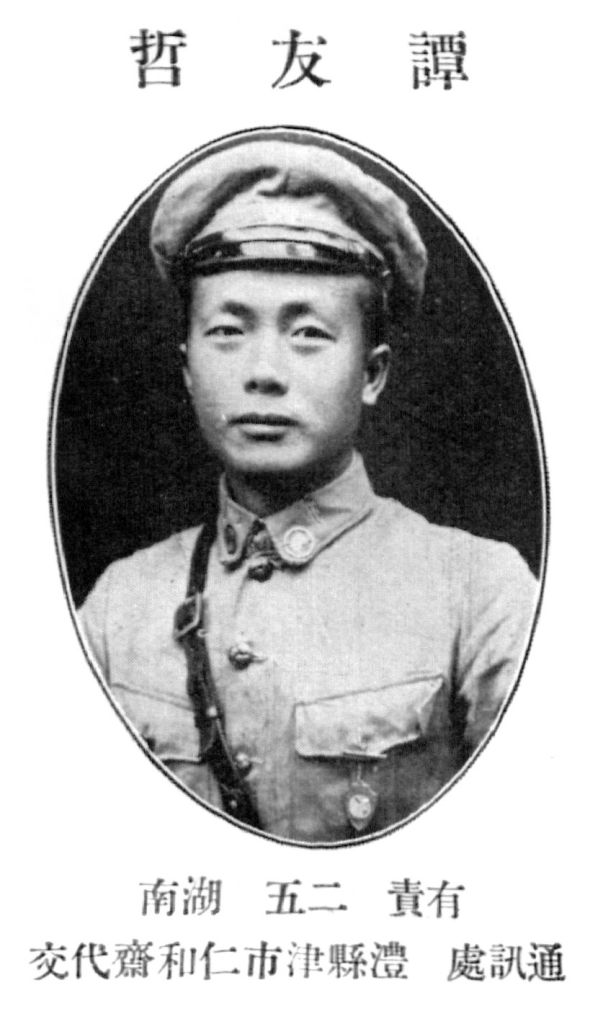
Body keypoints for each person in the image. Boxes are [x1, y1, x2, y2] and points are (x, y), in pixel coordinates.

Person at [79, 136, 538, 843]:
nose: (263, 372)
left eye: (308, 334)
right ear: (187, 369)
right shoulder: (118, 608)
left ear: (372, 373)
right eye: (228, 330)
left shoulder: (479, 595)